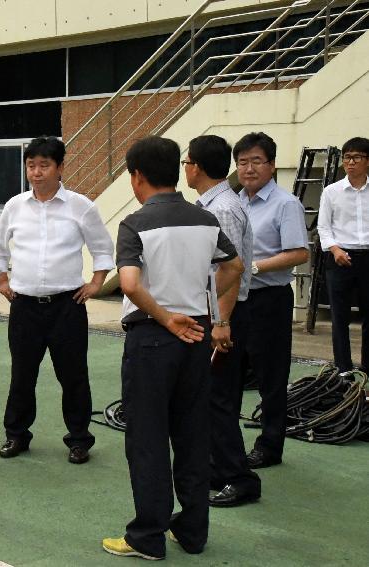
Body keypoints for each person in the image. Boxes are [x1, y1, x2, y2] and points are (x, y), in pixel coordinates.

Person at [102, 136, 243, 561]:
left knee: (147, 438)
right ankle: (192, 531)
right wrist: (199, 302)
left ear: (137, 176)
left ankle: (147, 536)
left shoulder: (135, 224)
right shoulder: (204, 219)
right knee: (191, 434)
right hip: (197, 334)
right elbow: (234, 266)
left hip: (152, 338)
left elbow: (129, 284)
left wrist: (165, 317)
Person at [0, 136, 114, 465]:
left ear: (60, 167)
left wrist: (96, 282)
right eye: (31, 165)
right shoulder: (15, 206)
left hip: (67, 306)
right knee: (22, 374)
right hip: (25, 306)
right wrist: (1, 280)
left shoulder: (81, 206)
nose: (36, 172)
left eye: (44, 165)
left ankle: (78, 440)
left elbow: (103, 248)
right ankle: (16, 435)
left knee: (73, 376)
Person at [184, 135, 261, 508]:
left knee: (220, 400)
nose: (185, 168)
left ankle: (239, 477)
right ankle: (218, 466)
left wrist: (221, 322)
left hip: (225, 315)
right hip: (217, 313)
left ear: (196, 167)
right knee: (211, 397)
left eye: (187, 162)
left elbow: (231, 271)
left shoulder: (223, 209)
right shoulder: (212, 203)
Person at [236, 132, 309, 469]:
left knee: (271, 376)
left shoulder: (285, 203)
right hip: (235, 298)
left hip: (270, 299)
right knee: (229, 373)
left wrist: (255, 266)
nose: (248, 169)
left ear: (272, 164)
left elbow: (298, 253)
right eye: (242, 162)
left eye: (256, 161)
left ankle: (270, 445)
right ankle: (227, 442)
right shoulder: (234, 202)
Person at [317, 137, 369, 373]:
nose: (350, 162)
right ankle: (343, 371)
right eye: (347, 157)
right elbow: (323, 227)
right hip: (339, 257)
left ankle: (367, 370)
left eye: (356, 157)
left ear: (367, 161)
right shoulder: (331, 191)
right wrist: (335, 249)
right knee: (340, 319)